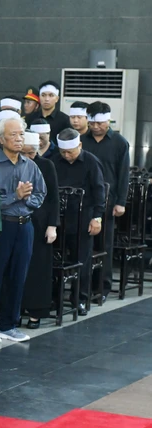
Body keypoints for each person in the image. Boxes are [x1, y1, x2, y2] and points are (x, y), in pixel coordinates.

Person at [0, 118, 46, 344]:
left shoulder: (30, 164)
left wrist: (26, 202)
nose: (19, 138)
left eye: (21, 134)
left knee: (18, 275)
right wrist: (16, 196)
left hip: (25, 225)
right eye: (14, 135)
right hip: (1, 226)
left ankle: (9, 324)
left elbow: (41, 193)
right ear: (1, 139)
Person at [51, 128, 106, 315]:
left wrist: (97, 218)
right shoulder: (54, 161)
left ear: (80, 146)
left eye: (70, 151)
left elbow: (100, 191)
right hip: (58, 219)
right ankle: (53, 298)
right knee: (55, 260)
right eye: (63, 152)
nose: (66, 156)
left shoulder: (91, 161)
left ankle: (80, 299)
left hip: (83, 219)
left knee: (82, 260)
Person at [82, 101, 130, 301]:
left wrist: (121, 202)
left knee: (105, 245)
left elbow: (123, 174)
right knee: (85, 244)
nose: (95, 127)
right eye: (92, 123)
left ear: (108, 120)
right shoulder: (82, 140)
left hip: (108, 201)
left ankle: (102, 287)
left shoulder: (119, 142)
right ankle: (83, 287)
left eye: (100, 123)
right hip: (85, 200)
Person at [19, 131, 59, 328]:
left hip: (41, 223)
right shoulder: (13, 165)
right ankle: (14, 310)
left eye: (31, 153)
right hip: (18, 220)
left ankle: (36, 312)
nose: (28, 157)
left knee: (38, 270)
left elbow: (53, 198)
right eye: (24, 153)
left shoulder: (46, 165)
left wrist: (52, 225)